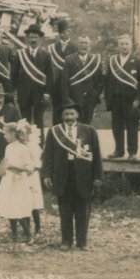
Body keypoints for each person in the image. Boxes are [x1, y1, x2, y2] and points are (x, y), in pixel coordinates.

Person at [41, 102, 103, 251]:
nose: (69, 117)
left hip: (83, 175)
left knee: (83, 210)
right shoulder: (54, 131)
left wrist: (98, 176)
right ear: (62, 116)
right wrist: (46, 175)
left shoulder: (89, 131)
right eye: (66, 114)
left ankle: (82, 242)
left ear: (77, 115)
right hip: (62, 175)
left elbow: (97, 156)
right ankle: (66, 241)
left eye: (72, 114)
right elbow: (48, 155)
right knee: (65, 210)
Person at [0, 120, 38, 244]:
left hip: (19, 182)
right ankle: (14, 234)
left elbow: (29, 168)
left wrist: (15, 168)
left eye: (6, 134)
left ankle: (29, 235)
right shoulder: (8, 147)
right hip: (9, 181)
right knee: (10, 207)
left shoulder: (23, 149)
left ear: (13, 134)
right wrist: (3, 172)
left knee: (18, 209)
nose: (4, 136)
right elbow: (6, 163)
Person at [104, 34, 140, 159]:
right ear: (118, 47)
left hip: (131, 100)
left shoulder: (139, 61)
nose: (124, 46)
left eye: (126, 44)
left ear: (130, 46)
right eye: (122, 44)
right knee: (116, 126)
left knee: (132, 126)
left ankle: (132, 152)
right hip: (116, 100)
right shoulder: (112, 61)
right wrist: (108, 99)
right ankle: (119, 150)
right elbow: (108, 81)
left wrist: (138, 99)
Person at [11, 25, 53, 130]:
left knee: (39, 121)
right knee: (25, 121)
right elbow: (14, 74)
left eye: (36, 37)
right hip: (24, 93)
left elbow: (50, 76)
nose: (33, 40)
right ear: (27, 39)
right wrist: (14, 90)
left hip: (40, 94)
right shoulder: (20, 54)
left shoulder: (46, 55)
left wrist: (47, 92)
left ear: (40, 39)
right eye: (31, 37)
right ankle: (25, 144)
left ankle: (39, 143)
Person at [59, 35, 103, 123]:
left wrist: (95, 94)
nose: (83, 45)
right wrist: (67, 99)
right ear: (77, 45)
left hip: (90, 99)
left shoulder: (95, 60)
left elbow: (100, 81)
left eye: (86, 43)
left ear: (89, 45)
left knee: (88, 124)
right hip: (74, 99)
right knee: (74, 124)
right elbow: (64, 82)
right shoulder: (69, 59)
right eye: (81, 43)